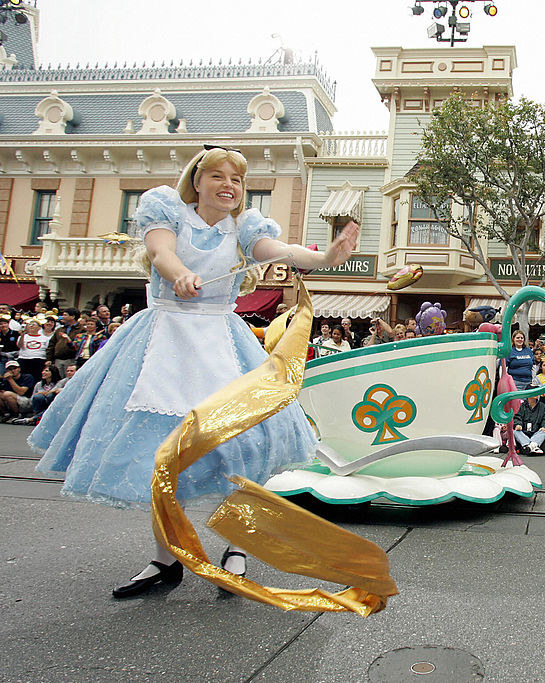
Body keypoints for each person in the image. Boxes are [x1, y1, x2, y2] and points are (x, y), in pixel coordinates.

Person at [31, 145, 360, 599]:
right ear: (197, 181)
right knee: (161, 452)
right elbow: (161, 252)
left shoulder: (244, 228)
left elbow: (279, 250)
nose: (229, 185)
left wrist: (325, 259)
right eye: (219, 176)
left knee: (241, 449)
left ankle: (236, 550)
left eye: (237, 180)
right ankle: (167, 560)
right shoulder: (167, 211)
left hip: (223, 346)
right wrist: (180, 273)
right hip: (162, 343)